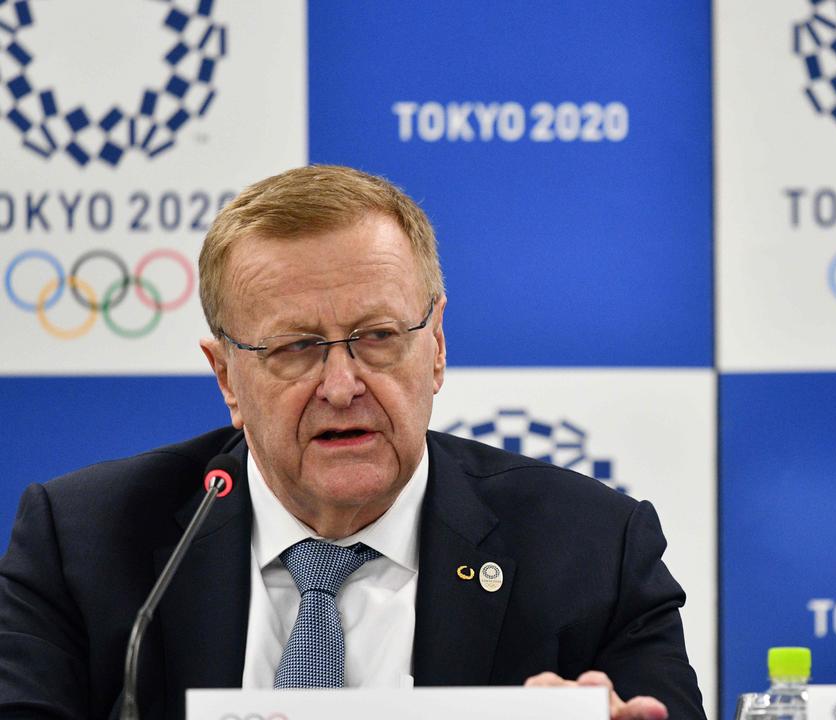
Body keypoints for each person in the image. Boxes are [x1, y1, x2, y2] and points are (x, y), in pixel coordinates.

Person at [0, 165, 704, 720]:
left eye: (378, 338)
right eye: (296, 347)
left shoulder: (592, 550)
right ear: (227, 379)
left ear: (435, 347)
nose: (343, 385)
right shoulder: (84, 544)